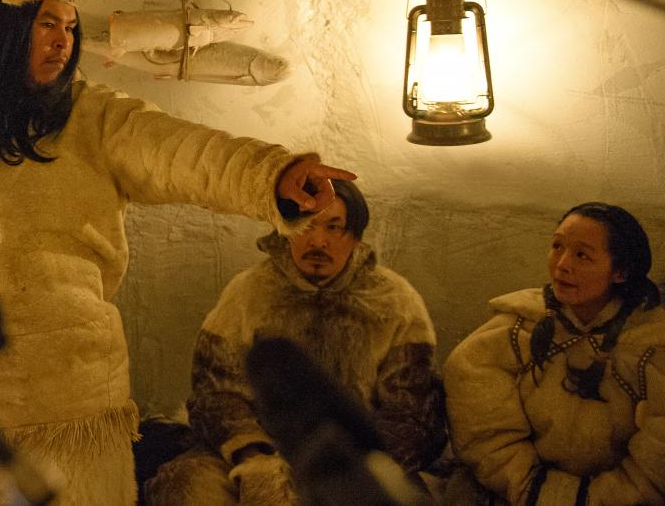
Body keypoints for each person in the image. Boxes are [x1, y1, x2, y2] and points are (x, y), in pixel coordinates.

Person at [0, 0, 355, 506]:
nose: (63, 40)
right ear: (4, 29)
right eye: (47, 24)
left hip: (70, 400)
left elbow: (184, 154)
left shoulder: (96, 118)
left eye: (70, 27)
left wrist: (272, 176)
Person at [144, 179, 445, 505]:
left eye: (334, 227)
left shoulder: (395, 302)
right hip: (256, 452)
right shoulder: (248, 293)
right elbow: (215, 393)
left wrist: (348, 466)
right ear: (286, 231)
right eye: (306, 226)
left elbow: (411, 412)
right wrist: (253, 456)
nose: (318, 240)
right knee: (190, 486)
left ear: (355, 237)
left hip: (355, 461)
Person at [443, 202, 665, 506]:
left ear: (620, 271)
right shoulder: (516, 331)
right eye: (557, 246)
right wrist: (531, 488)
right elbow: (483, 431)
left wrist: (585, 500)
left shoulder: (657, 350)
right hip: (507, 494)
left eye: (582, 255)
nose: (562, 264)